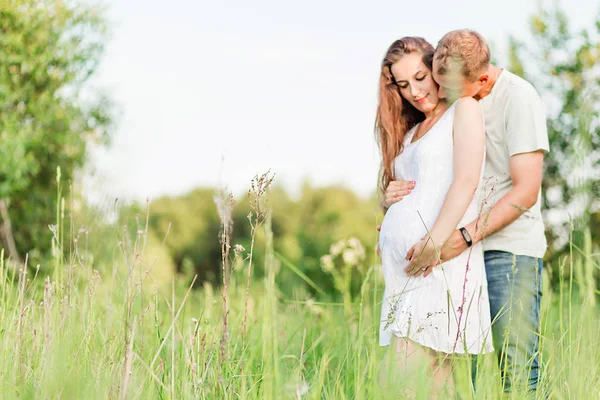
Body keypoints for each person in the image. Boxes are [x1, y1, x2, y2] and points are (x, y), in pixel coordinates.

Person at [383, 29, 549, 393]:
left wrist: (462, 236)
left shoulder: (517, 98)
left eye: (447, 89)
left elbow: (526, 191)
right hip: (460, 254)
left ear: (482, 79)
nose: (439, 95)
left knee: (517, 367)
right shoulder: (456, 98)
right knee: (465, 375)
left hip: (507, 250)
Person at [375, 36, 493, 398]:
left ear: (437, 68)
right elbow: (417, 189)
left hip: (438, 265)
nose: (414, 90)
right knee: (435, 387)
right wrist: (387, 200)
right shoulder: (411, 132)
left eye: (420, 77)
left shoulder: (464, 110)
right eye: (404, 84)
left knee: (397, 384)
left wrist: (434, 242)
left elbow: (467, 181)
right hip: (407, 277)